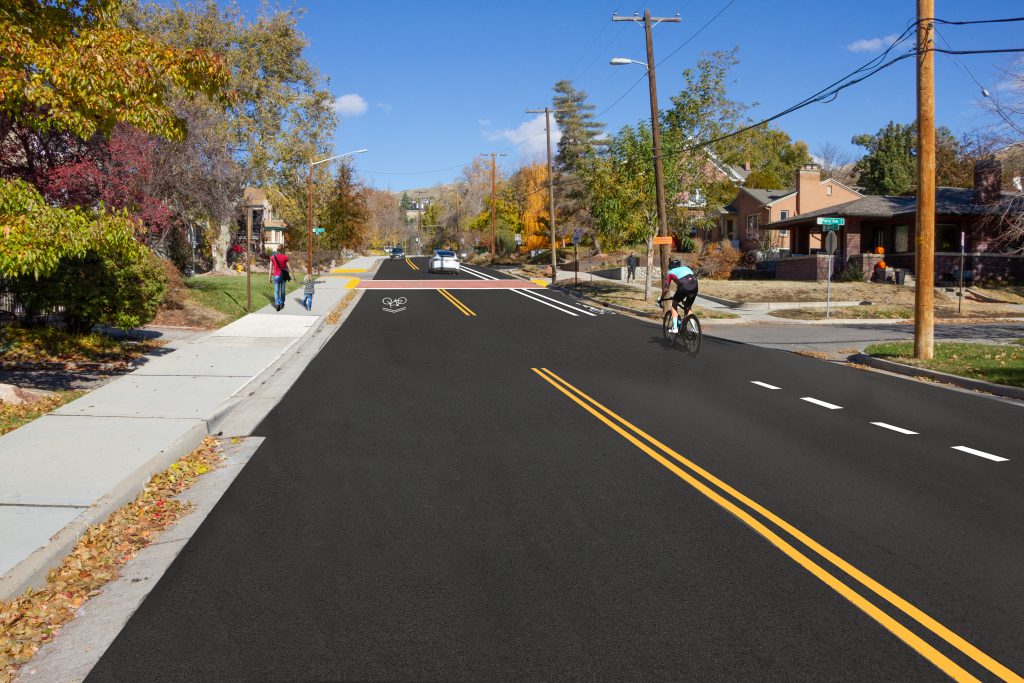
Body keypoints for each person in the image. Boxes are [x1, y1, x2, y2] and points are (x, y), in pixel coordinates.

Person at [661, 261, 698, 333]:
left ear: (670, 267)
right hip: (695, 286)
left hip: (684, 286)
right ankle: (694, 329)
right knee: (688, 307)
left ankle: (675, 328)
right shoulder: (686, 268)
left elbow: (666, 289)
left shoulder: (670, 272)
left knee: (674, 303)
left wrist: (662, 298)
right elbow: (689, 279)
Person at [269, 246, 289, 311]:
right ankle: (282, 303)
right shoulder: (285, 257)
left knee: (276, 290)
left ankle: (277, 304)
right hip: (283, 276)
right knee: (282, 290)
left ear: (277, 250)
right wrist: (293, 276)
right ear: (282, 250)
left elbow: (270, 268)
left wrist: (269, 277)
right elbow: (288, 267)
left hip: (276, 275)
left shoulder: (272, 257)